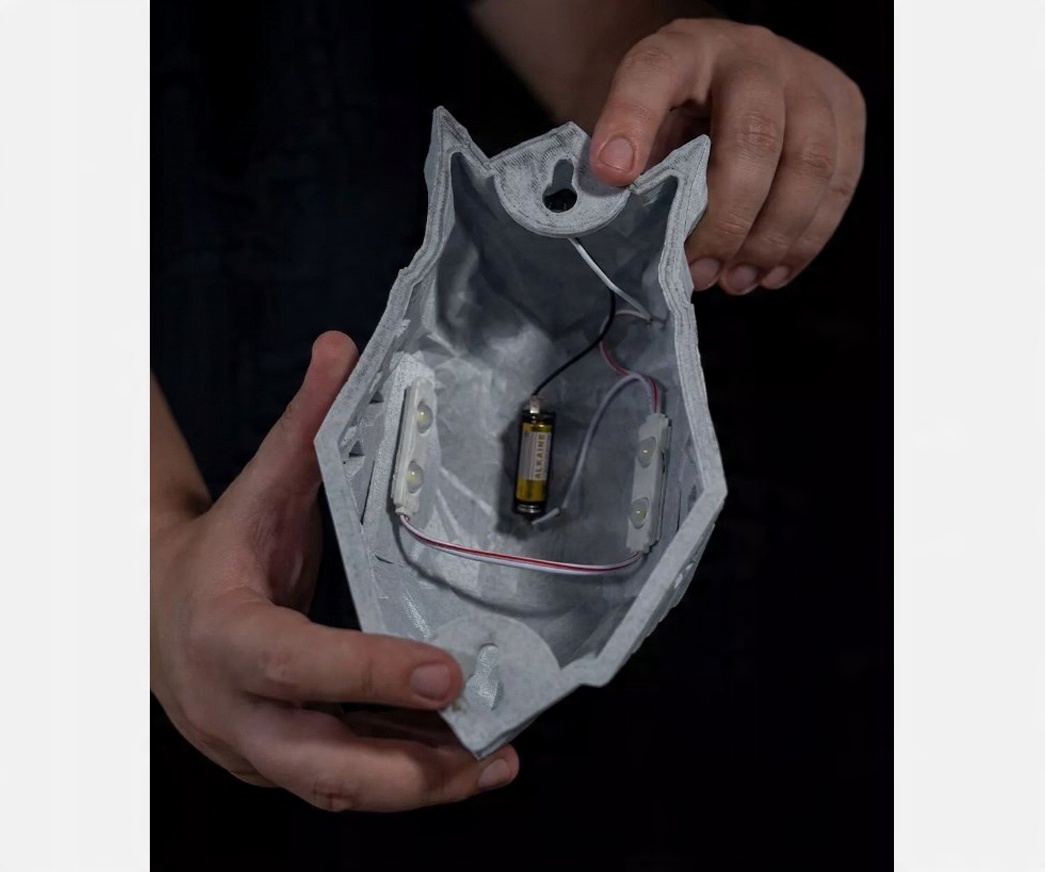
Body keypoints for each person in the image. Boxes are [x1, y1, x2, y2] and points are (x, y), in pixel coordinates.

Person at [152, 0, 865, 816]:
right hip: (237, 525)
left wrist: (675, 98)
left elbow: (602, 65)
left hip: (730, 669)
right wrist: (152, 549)